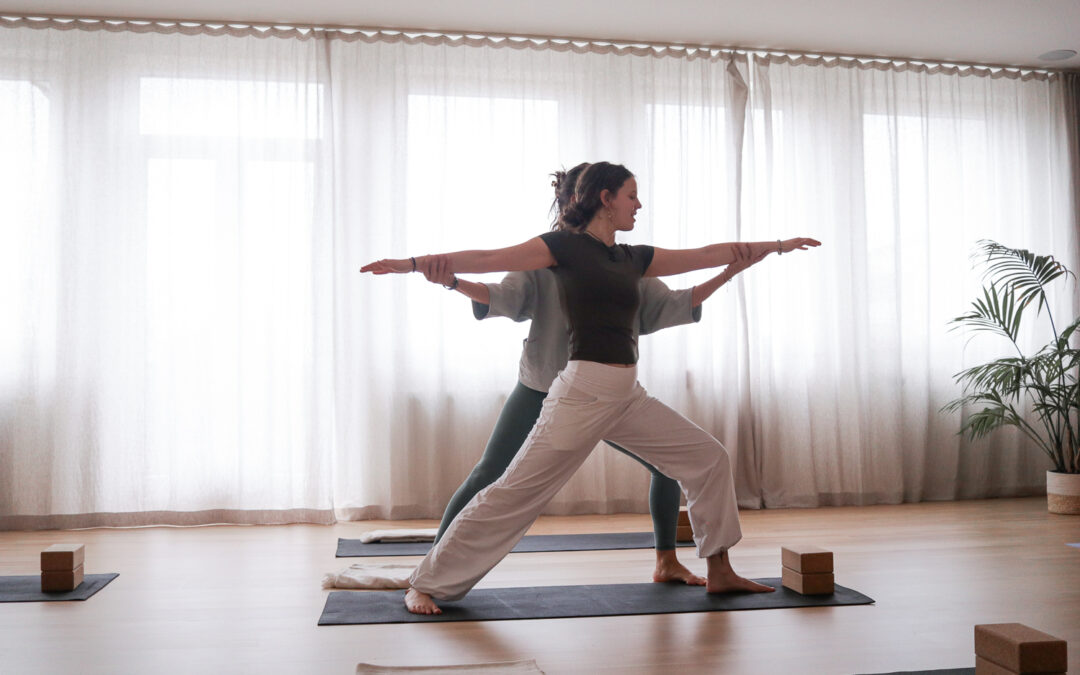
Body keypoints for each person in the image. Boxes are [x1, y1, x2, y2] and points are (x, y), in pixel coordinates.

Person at [361, 161, 820, 614]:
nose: (639, 205)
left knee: (708, 457)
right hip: (581, 392)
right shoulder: (562, 248)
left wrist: (774, 247)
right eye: (631, 195)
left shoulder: (633, 257)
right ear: (606, 198)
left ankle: (719, 570)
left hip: (627, 394)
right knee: (513, 492)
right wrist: (415, 265)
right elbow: (489, 258)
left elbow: (701, 254)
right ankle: (425, 582)